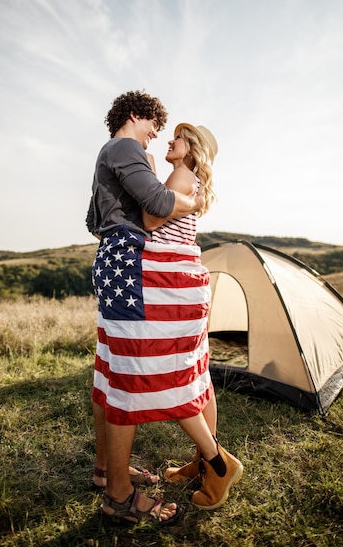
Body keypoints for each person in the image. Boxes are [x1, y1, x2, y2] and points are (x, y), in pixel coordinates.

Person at [86, 90, 206, 525]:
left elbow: (91, 220)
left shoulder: (110, 155)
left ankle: (107, 472)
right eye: (154, 124)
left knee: (111, 367)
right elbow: (156, 207)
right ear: (136, 115)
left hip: (112, 257)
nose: (156, 134)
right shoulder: (124, 147)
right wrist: (193, 201)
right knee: (127, 378)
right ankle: (120, 494)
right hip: (128, 264)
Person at [142, 123, 243, 510]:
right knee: (197, 374)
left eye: (178, 138)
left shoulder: (180, 174)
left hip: (171, 288)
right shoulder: (192, 180)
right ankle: (203, 461)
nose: (171, 141)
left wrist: (147, 174)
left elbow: (151, 220)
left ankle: (218, 465)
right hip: (188, 285)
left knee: (172, 377)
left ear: (192, 150)